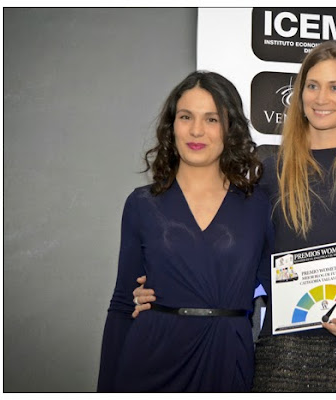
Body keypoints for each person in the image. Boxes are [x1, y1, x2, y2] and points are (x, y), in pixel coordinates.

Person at [134, 40, 336, 392]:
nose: (321, 98)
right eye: (312, 86)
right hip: (285, 356)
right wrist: (163, 289)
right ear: (299, 94)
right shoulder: (271, 171)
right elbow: (242, 260)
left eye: (335, 87)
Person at [97, 71, 273, 392]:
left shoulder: (259, 206)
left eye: (211, 119)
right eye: (186, 117)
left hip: (227, 359)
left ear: (230, 128)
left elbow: (281, 288)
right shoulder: (142, 204)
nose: (196, 130)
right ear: (172, 125)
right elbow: (123, 304)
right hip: (150, 358)